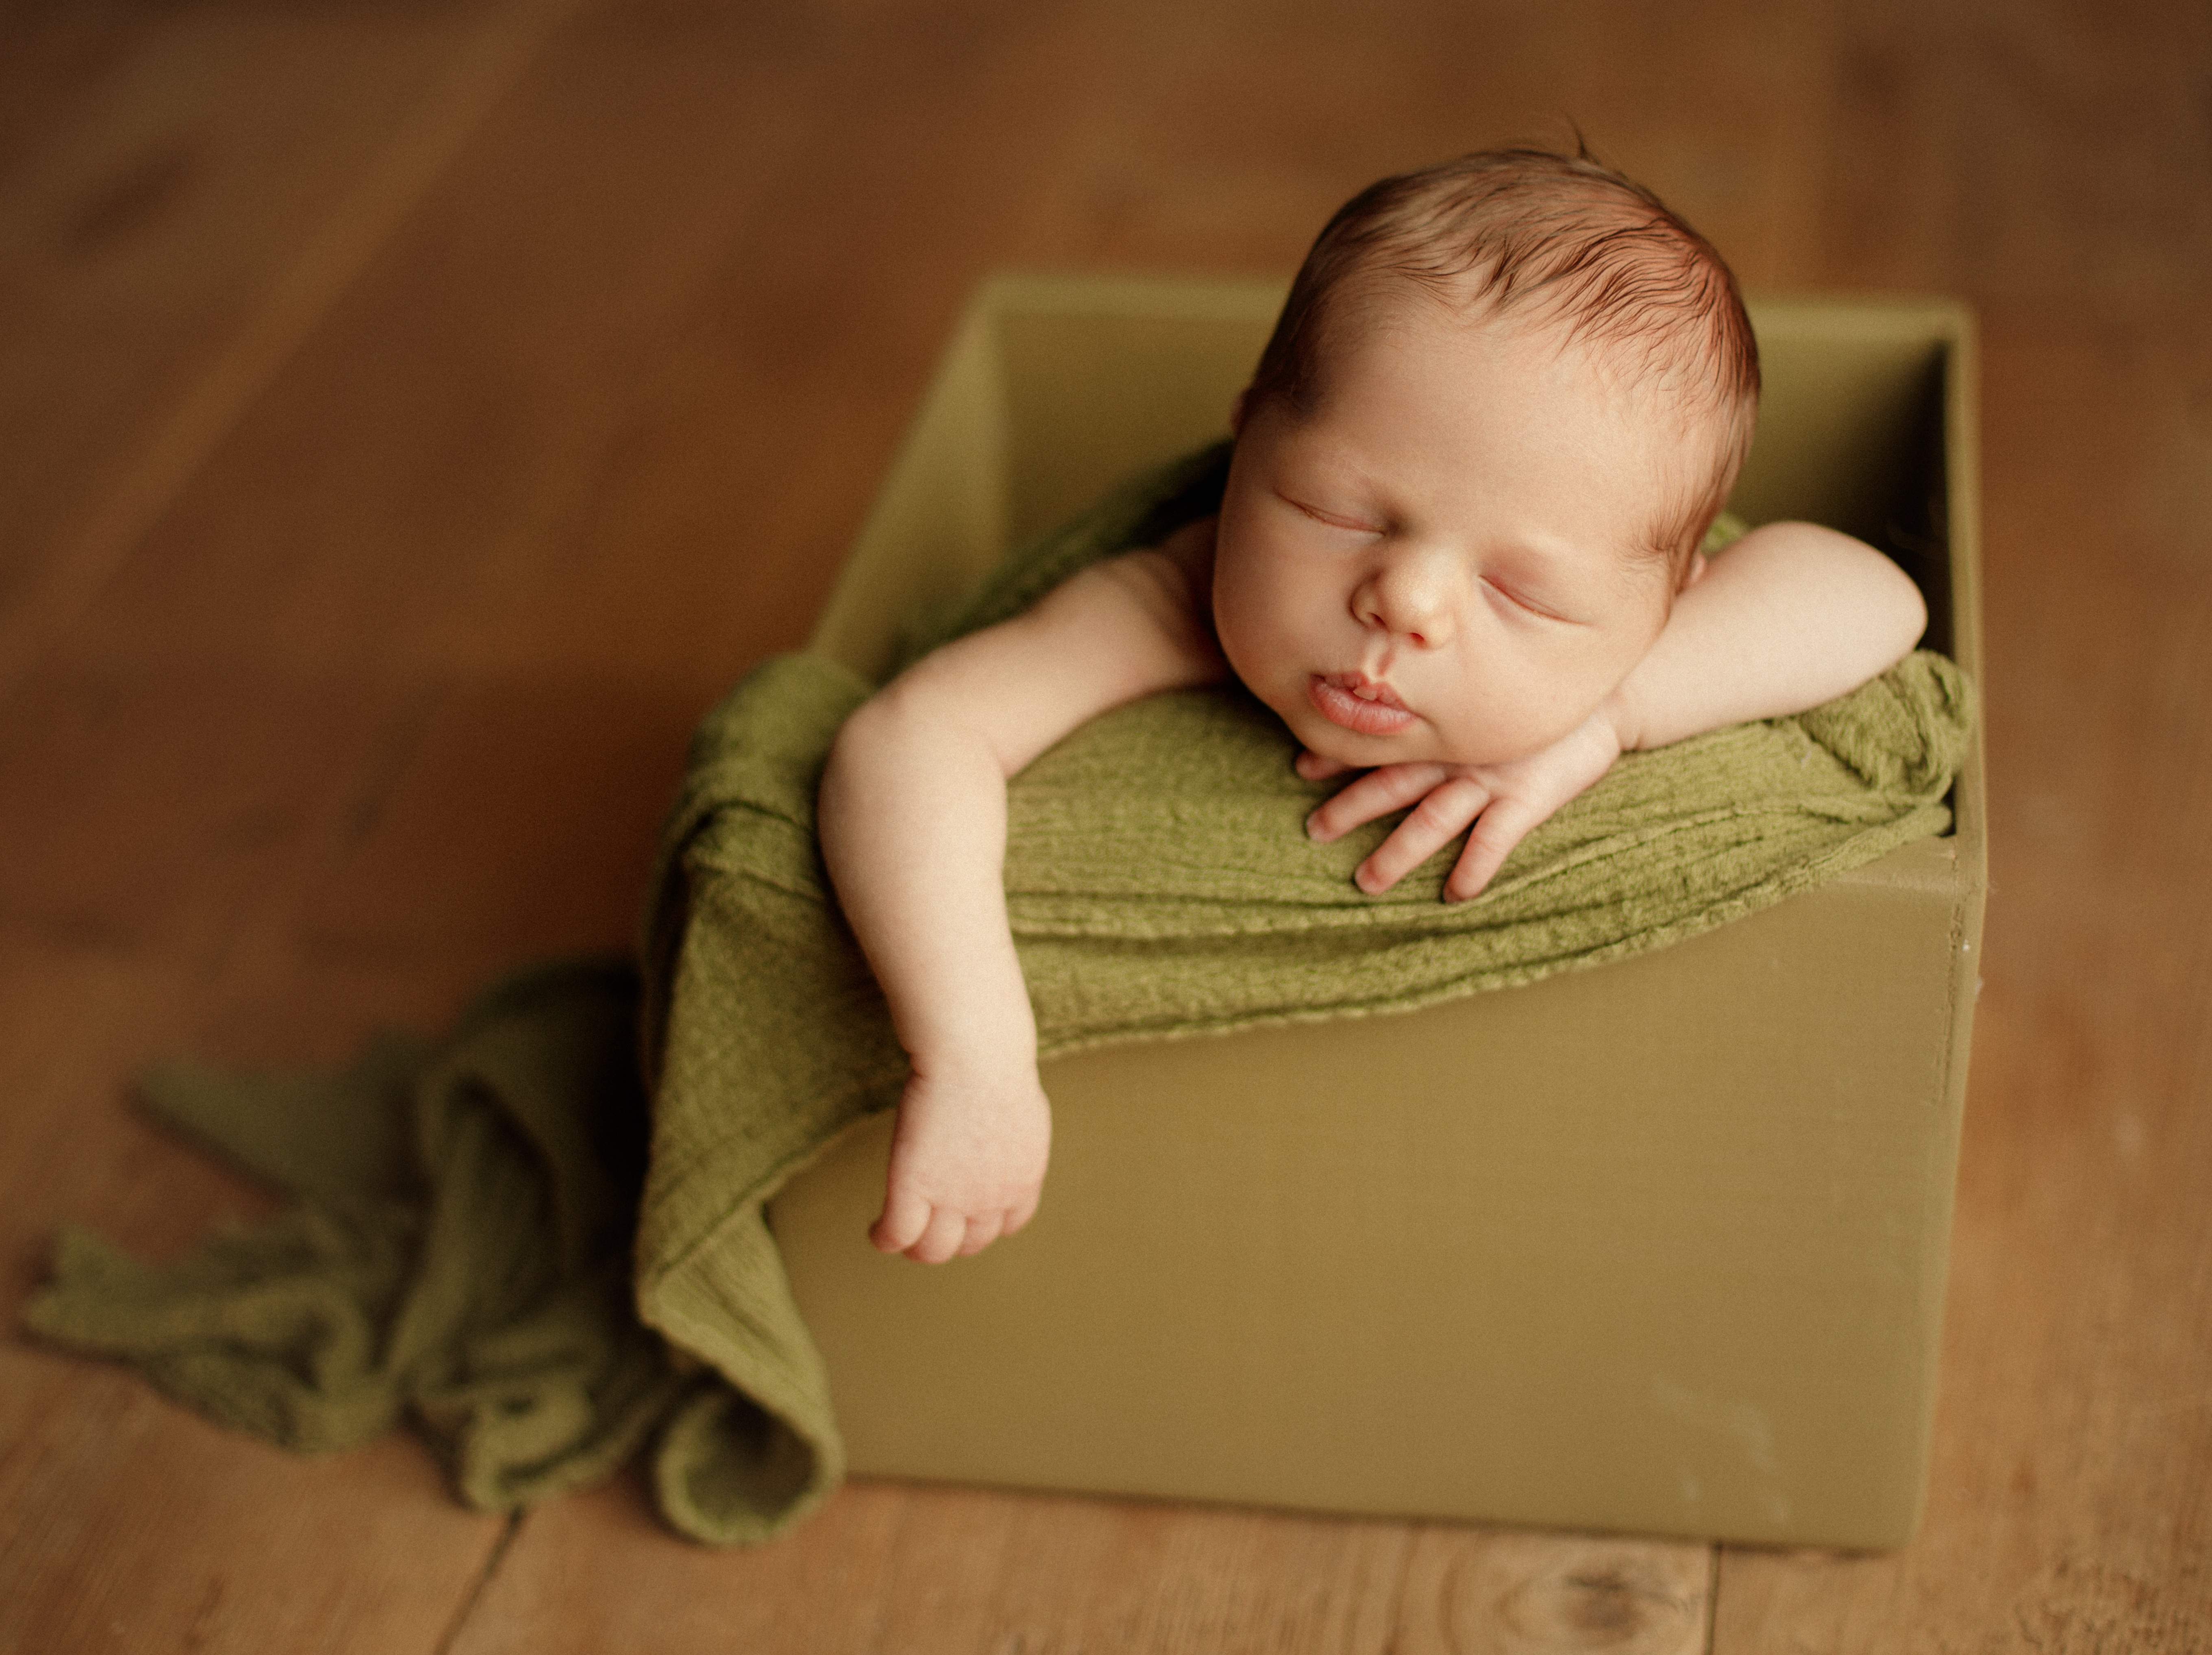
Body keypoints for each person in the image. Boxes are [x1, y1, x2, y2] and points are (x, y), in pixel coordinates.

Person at [816, 148, 1928, 1266]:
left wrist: (1611, 716)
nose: (1407, 599)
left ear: (1667, 601)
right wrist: (977, 1058)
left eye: (1521, 591)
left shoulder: (1651, 633)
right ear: (1245, 439)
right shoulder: (1167, 595)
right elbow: (910, 737)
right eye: (1337, 510)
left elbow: (1878, 597)